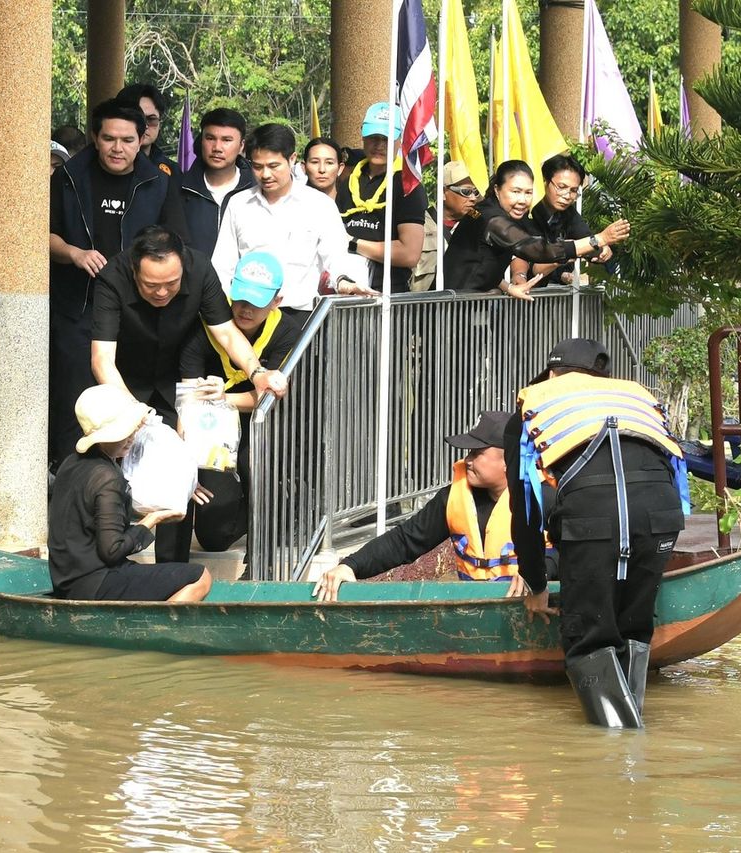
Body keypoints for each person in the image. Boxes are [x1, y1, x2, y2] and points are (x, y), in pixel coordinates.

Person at [506, 339, 689, 729]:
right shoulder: (635, 399)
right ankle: (635, 737)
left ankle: (614, 749)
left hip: (592, 515)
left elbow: (525, 510)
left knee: (588, 635)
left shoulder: (534, 405)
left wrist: (536, 582)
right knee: (634, 625)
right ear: (604, 377)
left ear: (552, 375)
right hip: (661, 513)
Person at [90, 226, 288, 562]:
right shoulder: (112, 278)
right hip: (124, 382)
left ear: (183, 265)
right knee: (112, 471)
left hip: (176, 381)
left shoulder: (200, 270)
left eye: (171, 283)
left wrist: (257, 373)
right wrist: (131, 413)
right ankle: (110, 559)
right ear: (135, 271)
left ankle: (172, 567)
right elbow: (102, 359)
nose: (162, 292)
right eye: (151, 285)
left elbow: (226, 332)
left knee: (179, 468)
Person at [47, 97, 187, 468]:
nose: (117, 148)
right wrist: (74, 253)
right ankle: (73, 476)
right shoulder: (68, 177)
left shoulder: (159, 181)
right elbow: (41, 234)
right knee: (75, 396)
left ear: (142, 139)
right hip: (78, 305)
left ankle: (133, 478)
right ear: (95, 138)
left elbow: (177, 243)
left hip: (137, 309)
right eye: (109, 138)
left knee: (133, 392)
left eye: (127, 140)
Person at [313, 411, 540, 601]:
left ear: (509, 459)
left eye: (477, 453)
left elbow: (562, 553)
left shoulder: (544, 497)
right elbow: (404, 541)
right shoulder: (453, 498)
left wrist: (537, 574)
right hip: (478, 613)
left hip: (532, 610)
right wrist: (350, 565)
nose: (467, 460)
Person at [179, 251, 302, 552]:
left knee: (254, 464)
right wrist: (185, 462)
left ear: (276, 301)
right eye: (241, 298)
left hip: (264, 424)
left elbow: (270, 396)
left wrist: (223, 397)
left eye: (257, 302)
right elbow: (188, 398)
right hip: (212, 430)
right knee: (212, 537)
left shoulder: (286, 331)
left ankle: (285, 512)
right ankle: (250, 513)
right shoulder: (203, 327)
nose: (245, 309)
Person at [48, 384, 211, 602]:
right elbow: (112, 550)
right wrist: (152, 519)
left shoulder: (71, 464)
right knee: (201, 577)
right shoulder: (107, 477)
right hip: (94, 582)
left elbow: (96, 520)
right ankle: (155, 624)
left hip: (66, 579)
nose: (132, 436)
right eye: (126, 432)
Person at [212, 123, 371, 323]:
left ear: (292, 159)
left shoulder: (320, 205)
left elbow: (336, 257)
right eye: (258, 167)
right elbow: (222, 266)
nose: (265, 175)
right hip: (247, 313)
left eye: (273, 166)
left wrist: (344, 281)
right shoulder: (238, 204)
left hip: (300, 315)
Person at [442, 159, 630, 297]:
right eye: (515, 192)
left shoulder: (485, 212)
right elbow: (538, 250)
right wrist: (599, 239)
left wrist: (509, 288)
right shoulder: (492, 219)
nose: (522, 200)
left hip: (473, 303)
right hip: (456, 307)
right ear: (497, 189)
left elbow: (479, 261)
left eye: (528, 193)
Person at [336, 103, 426, 294]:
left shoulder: (408, 186)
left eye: (386, 139)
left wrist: (352, 243)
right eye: (373, 138)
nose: (379, 145)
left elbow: (409, 254)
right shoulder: (347, 182)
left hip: (388, 293)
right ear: (363, 136)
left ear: (399, 140)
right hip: (347, 291)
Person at [509, 154, 611, 290]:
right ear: (544, 181)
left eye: (573, 190)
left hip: (544, 294)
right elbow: (532, 264)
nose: (567, 196)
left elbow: (587, 239)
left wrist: (602, 249)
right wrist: (567, 252)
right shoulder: (525, 212)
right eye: (561, 187)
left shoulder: (568, 214)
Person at [179, 107, 255, 255]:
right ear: (201, 140)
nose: (217, 148)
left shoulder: (256, 189)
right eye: (210, 138)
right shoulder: (180, 188)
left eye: (227, 140)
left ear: (241, 146)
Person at [116, 82, 180, 176]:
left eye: (151, 119)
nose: (145, 126)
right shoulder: (94, 170)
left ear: (160, 123)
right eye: (137, 119)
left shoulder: (174, 172)